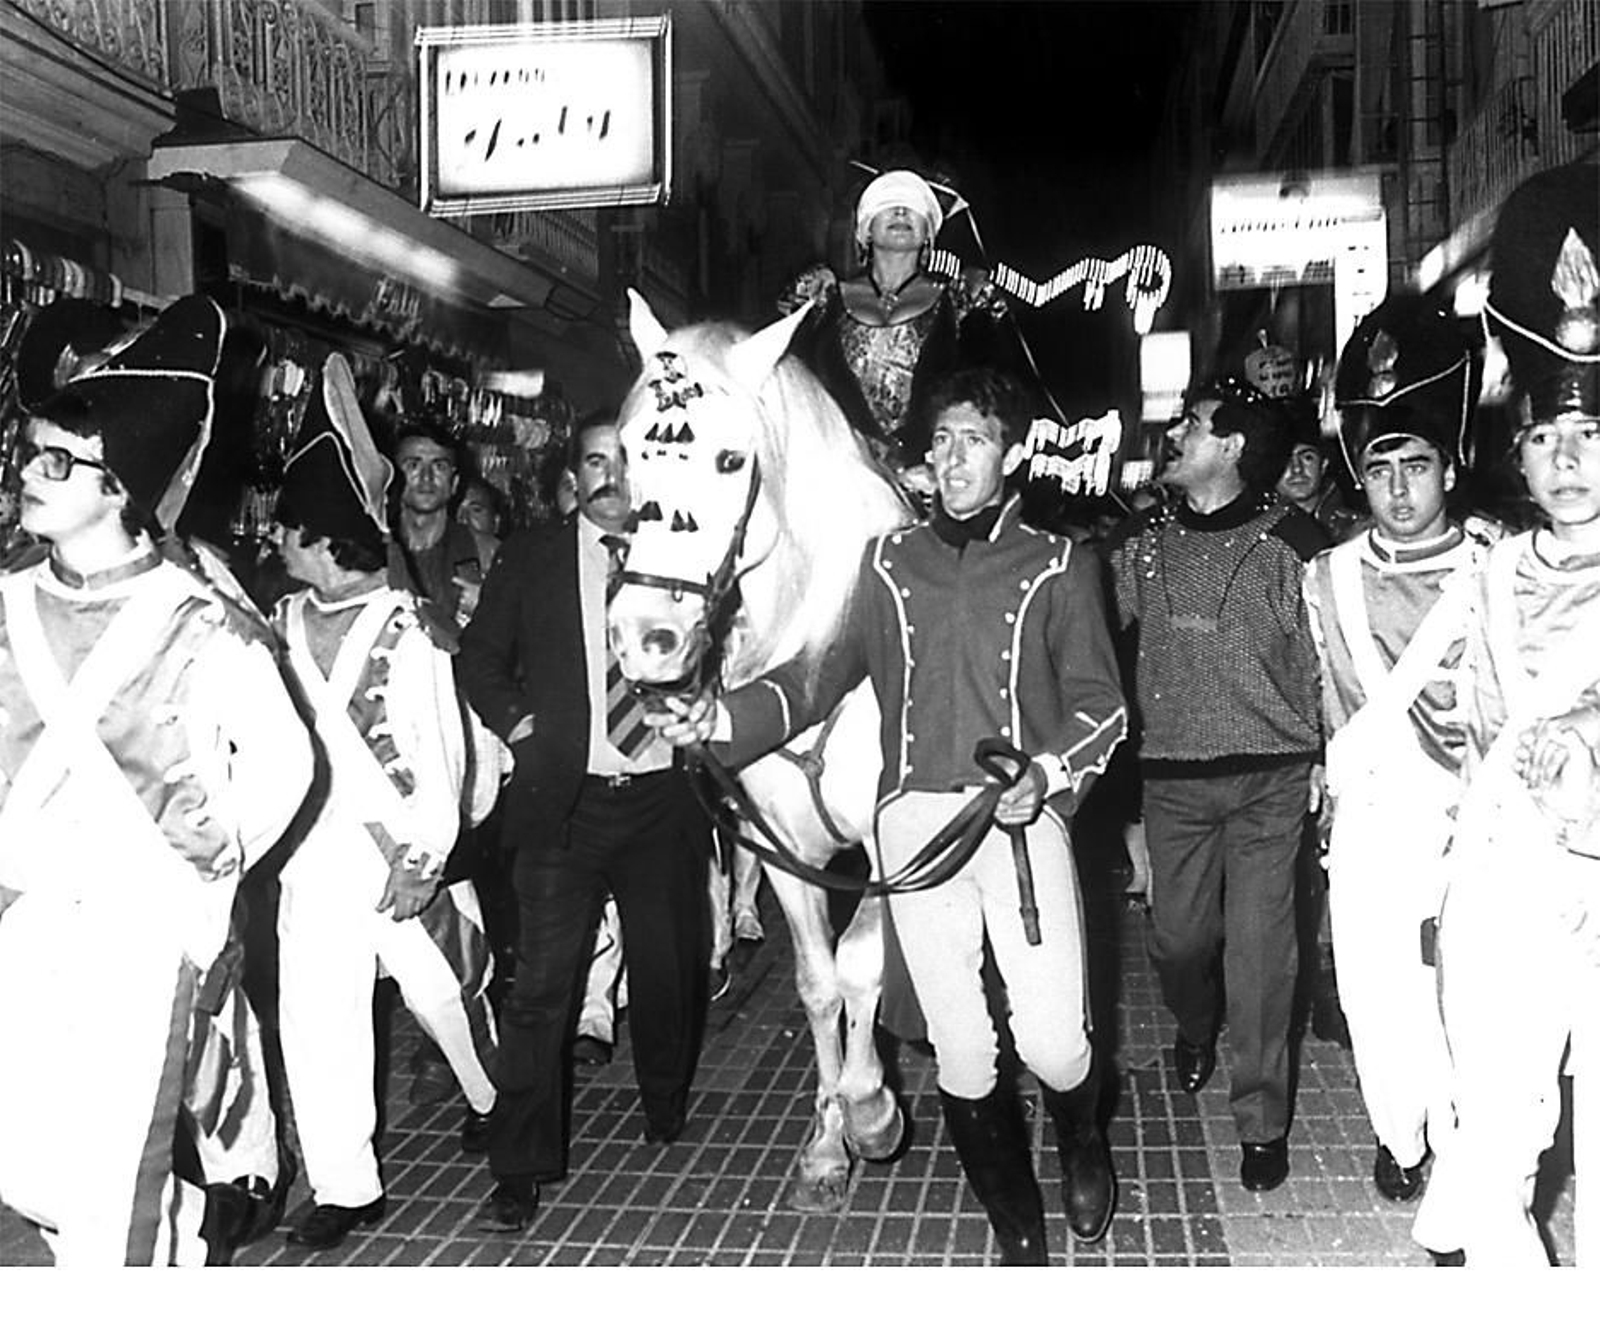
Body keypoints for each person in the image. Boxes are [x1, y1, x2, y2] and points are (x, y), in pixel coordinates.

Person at [653, 368, 1127, 1265]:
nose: (951, 460)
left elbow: (1103, 705)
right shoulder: (885, 564)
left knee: (1057, 1041)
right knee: (963, 1053)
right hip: (914, 831)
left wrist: (1049, 773)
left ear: (1013, 452)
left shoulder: (1062, 564)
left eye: (974, 440)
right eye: (941, 441)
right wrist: (719, 718)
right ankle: (1018, 1232)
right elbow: (813, 683)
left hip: (1023, 826)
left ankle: (1082, 1132)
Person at [0, 295, 314, 1265]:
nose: (28, 474)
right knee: (26, 1161)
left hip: (141, 922)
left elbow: (288, 764)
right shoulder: (6, 600)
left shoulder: (200, 618)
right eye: (26, 452)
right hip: (24, 911)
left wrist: (203, 863)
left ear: (123, 485)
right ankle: (176, 1248)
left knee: (111, 1178)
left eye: (59, 461)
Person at [457, 410, 711, 1233]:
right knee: (541, 989)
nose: (614, 478)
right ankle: (520, 1164)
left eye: (629, 462)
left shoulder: (681, 550)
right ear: (575, 475)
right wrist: (523, 725)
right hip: (564, 804)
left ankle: (665, 1101)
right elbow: (479, 658)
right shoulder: (532, 554)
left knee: (668, 967)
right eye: (598, 462)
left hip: (661, 797)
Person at [270, 355, 498, 1252]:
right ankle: (345, 1182)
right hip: (310, 859)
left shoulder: (413, 630)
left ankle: (492, 1097)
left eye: (290, 530)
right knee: (316, 1018)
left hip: (395, 850)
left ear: (327, 540)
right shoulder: (281, 621)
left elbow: (442, 750)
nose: (278, 541)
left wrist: (423, 860)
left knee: (444, 989)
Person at [1106, 375, 1328, 1193]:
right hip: (1173, 779)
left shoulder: (1295, 544)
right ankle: (1195, 1027)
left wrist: (1327, 763)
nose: (1174, 435)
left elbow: (1327, 663)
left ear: (1232, 447)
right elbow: (1101, 648)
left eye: (1191, 426)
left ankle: (1262, 1119)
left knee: (1264, 954)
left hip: (1272, 778)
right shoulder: (1142, 543)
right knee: (1178, 941)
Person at [1438, 162, 1600, 1268]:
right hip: (1510, 884)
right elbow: (1472, 740)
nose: (1568, 458)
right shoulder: (1488, 576)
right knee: (1504, 1118)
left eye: (1591, 435)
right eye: (1544, 437)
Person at [1304, 293, 1489, 1260]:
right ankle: (1399, 1132)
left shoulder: (1498, 566)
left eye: (1417, 466)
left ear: (1450, 466)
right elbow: (1309, 696)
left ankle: (1458, 1173)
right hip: (1370, 815)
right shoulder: (1322, 577)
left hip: (1473, 820)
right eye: (1380, 469)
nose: (1400, 489)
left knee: (1462, 1001)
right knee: (1376, 994)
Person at [780, 168, 1021, 501]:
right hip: (836, 483)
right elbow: (784, 381)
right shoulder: (820, 297)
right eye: (888, 204)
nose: (901, 213)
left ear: (928, 234)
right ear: (866, 229)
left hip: (929, 484)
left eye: (913, 208)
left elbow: (994, 393)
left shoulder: (962, 299)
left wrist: (941, 463)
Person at [387, 424, 495, 630]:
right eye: (413, 465)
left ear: (454, 483)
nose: (426, 477)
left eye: (439, 466)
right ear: (392, 478)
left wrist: (489, 610)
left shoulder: (488, 554)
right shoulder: (371, 552)